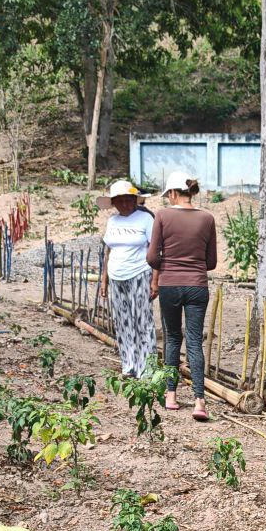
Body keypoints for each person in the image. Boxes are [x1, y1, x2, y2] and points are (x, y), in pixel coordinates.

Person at [146, 170, 217, 422]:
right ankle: (200, 401)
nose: (168, 198)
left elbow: (152, 257)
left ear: (174, 193)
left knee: (173, 338)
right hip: (197, 286)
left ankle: (171, 395)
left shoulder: (162, 216)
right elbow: (211, 262)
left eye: (168, 194)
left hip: (170, 286)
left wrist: (168, 264)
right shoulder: (207, 218)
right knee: (195, 341)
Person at [99, 180, 156, 378]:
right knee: (122, 321)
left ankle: (147, 369)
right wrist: (104, 280)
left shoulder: (146, 219)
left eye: (128, 199)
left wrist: (155, 280)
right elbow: (108, 252)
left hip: (140, 273)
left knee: (142, 321)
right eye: (120, 200)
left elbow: (156, 250)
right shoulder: (113, 221)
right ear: (114, 203)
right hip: (116, 276)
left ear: (135, 200)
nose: (125, 204)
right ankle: (129, 365)